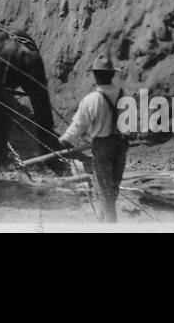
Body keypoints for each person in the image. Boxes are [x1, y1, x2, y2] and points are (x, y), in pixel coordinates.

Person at [57, 52, 129, 222]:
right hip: (121, 145)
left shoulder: (91, 100)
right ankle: (106, 220)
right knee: (113, 187)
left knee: (104, 191)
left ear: (95, 75)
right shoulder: (123, 94)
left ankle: (109, 225)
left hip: (103, 147)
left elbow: (78, 126)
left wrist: (63, 141)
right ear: (112, 75)